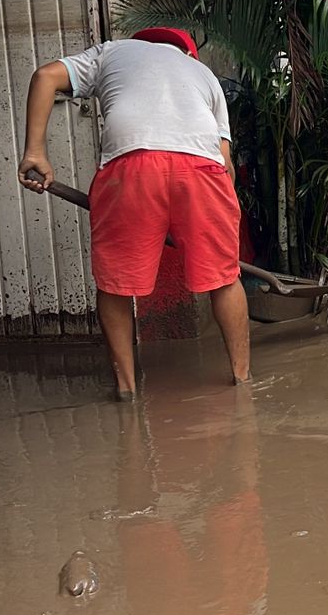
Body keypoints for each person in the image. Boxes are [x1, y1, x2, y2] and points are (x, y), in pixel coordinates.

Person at [19, 27, 249, 399]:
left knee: (115, 286)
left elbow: (45, 75)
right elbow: (224, 161)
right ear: (188, 53)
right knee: (224, 278)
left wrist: (36, 152)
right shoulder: (204, 75)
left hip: (132, 165)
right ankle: (242, 381)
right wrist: (218, 215)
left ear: (143, 42)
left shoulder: (113, 52)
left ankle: (126, 390)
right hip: (204, 172)